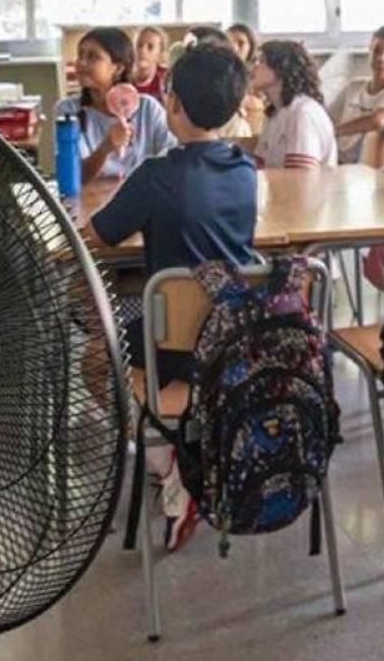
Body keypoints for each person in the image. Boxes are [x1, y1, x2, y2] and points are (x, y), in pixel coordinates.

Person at [86, 44, 257, 550]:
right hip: (232, 335)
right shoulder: (244, 170)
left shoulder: (158, 175)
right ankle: (183, 449)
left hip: (174, 342)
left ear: (172, 103)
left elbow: (101, 235)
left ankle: (170, 461)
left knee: (94, 361)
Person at [54, 27, 173, 182]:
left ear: (118, 68)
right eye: (80, 55)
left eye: (93, 57)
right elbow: (73, 177)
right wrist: (106, 147)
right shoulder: (67, 111)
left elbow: (172, 159)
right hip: (90, 203)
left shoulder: (148, 109)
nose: (81, 63)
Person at [330, 25, 384, 167]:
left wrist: (335, 132)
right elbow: (327, 116)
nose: (382, 58)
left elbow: (377, 121)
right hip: (338, 162)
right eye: (376, 51)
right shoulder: (354, 86)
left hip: (375, 168)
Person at [251, 40, 336, 169]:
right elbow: (259, 168)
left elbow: (300, 179)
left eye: (261, 61)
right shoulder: (275, 113)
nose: (254, 66)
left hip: (308, 188)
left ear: (281, 69)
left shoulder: (303, 113)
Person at [227, 22, 265, 134]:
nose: (234, 48)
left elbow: (260, 104)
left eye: (241, 43)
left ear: (251, 47)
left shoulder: (258, 73)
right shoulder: (217, 73)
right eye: (229, 43)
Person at [131, 25, 167, 103]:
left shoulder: (166, 78)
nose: (142, 50)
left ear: (160, 54)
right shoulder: (122, 78)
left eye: (150, 47)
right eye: (139, 45)